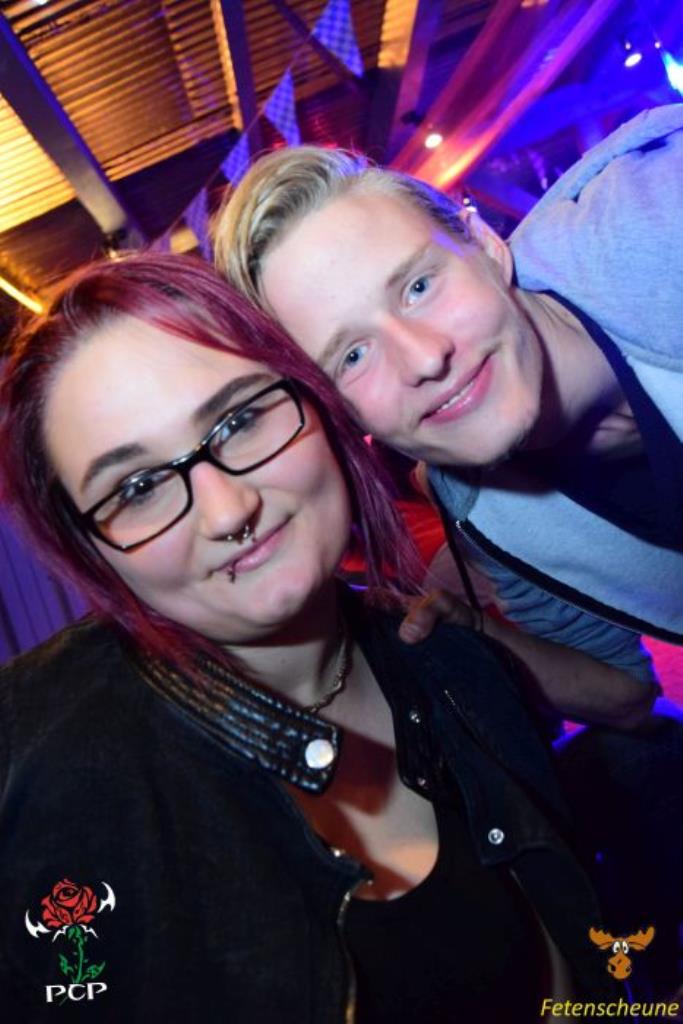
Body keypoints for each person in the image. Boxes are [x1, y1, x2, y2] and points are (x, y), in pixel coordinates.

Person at [0, 253, 622, 1020]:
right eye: (137, 487)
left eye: (238, 420)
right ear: (90, 550)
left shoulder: (455, 667)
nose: (227, 511)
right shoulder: (32, 768)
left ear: (318, 404)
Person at [214, 103, 683, 689]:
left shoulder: (663, 218)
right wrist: (480, 635)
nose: (424, 359)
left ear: (486, 246)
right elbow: (625, 692)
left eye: (418, 286)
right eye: (352, 356)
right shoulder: (477, 510)